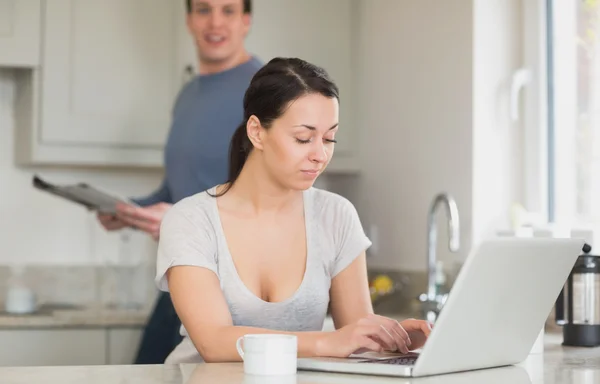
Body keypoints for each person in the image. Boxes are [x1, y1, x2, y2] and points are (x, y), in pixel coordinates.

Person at [156, 57, 432, 364]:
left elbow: (354, 335)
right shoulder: (191, 220)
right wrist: (329, 341)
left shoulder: (336, 216)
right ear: (257, 132)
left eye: (329, 139)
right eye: (303, 138)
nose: (320, 155)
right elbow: (214, 342)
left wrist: (389, 339)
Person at [96, 0, 263, 364]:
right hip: (179, 276)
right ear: (189, 20)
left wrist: (177, 219)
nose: (214, 22)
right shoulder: (188, 95)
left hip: (231, 289)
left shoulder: (265, 92)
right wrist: (129, 209)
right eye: (203, 9)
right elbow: (176, 190)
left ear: (246, 21)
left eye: (228, 10)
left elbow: (269, 199)